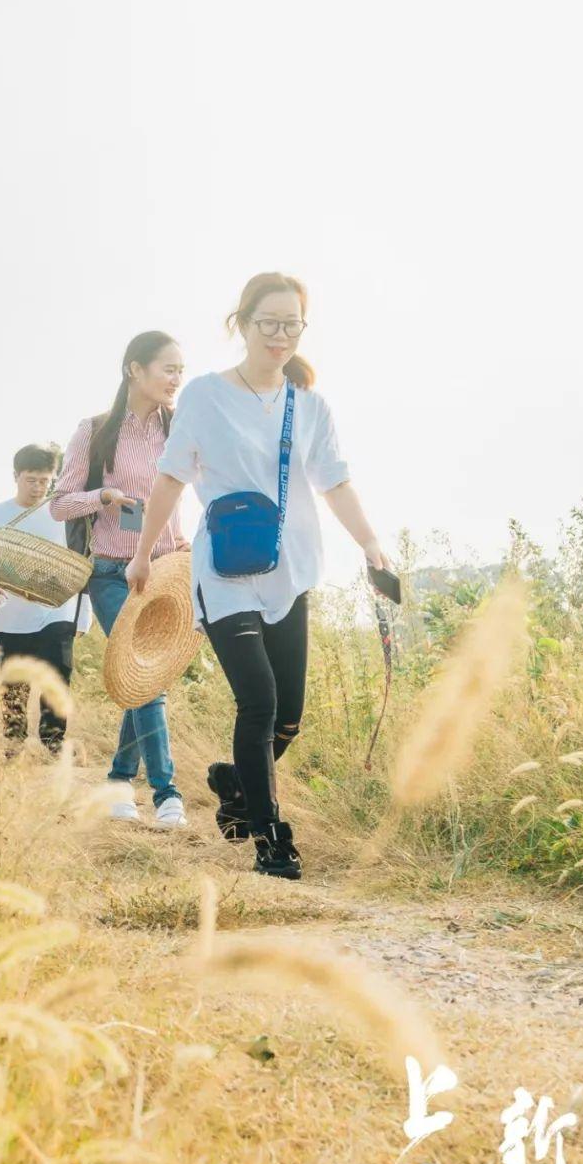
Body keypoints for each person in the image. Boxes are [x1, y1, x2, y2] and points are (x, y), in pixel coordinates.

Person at [125, 273, 391, 878]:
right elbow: (169, 476)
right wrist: (143, 552)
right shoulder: (204, 396)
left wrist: (371, 543)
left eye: (291, 324)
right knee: (260, 701)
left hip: (289, 570)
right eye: (267, 323)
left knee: (290, 714)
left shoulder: (312, 406)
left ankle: (234, 784)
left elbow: (336, 482)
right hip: (223, 570)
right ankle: (271, 840)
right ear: (240, 324)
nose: (279, 335)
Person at [51, 331, 190, 828]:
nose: (176, 379)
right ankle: (166, 793)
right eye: (167, 368)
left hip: (168, 573)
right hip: (112, 572)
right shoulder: (95, 430)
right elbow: (60, 502)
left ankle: (116, 782)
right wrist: (104, 496)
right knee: (147, 678)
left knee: (145, 679)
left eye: (181, 370)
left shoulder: (182, 429)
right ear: (135, 369)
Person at [0, 443, 92, 755]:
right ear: (15, 476)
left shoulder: (63, 515)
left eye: (45, 481)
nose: (39, 487)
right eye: (31, 480)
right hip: (11, 612)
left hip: (58, 609)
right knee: (14, 681)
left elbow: (80, 564)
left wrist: (83, 614)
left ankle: (54, 743)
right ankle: (13, 742)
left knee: (58, 672)